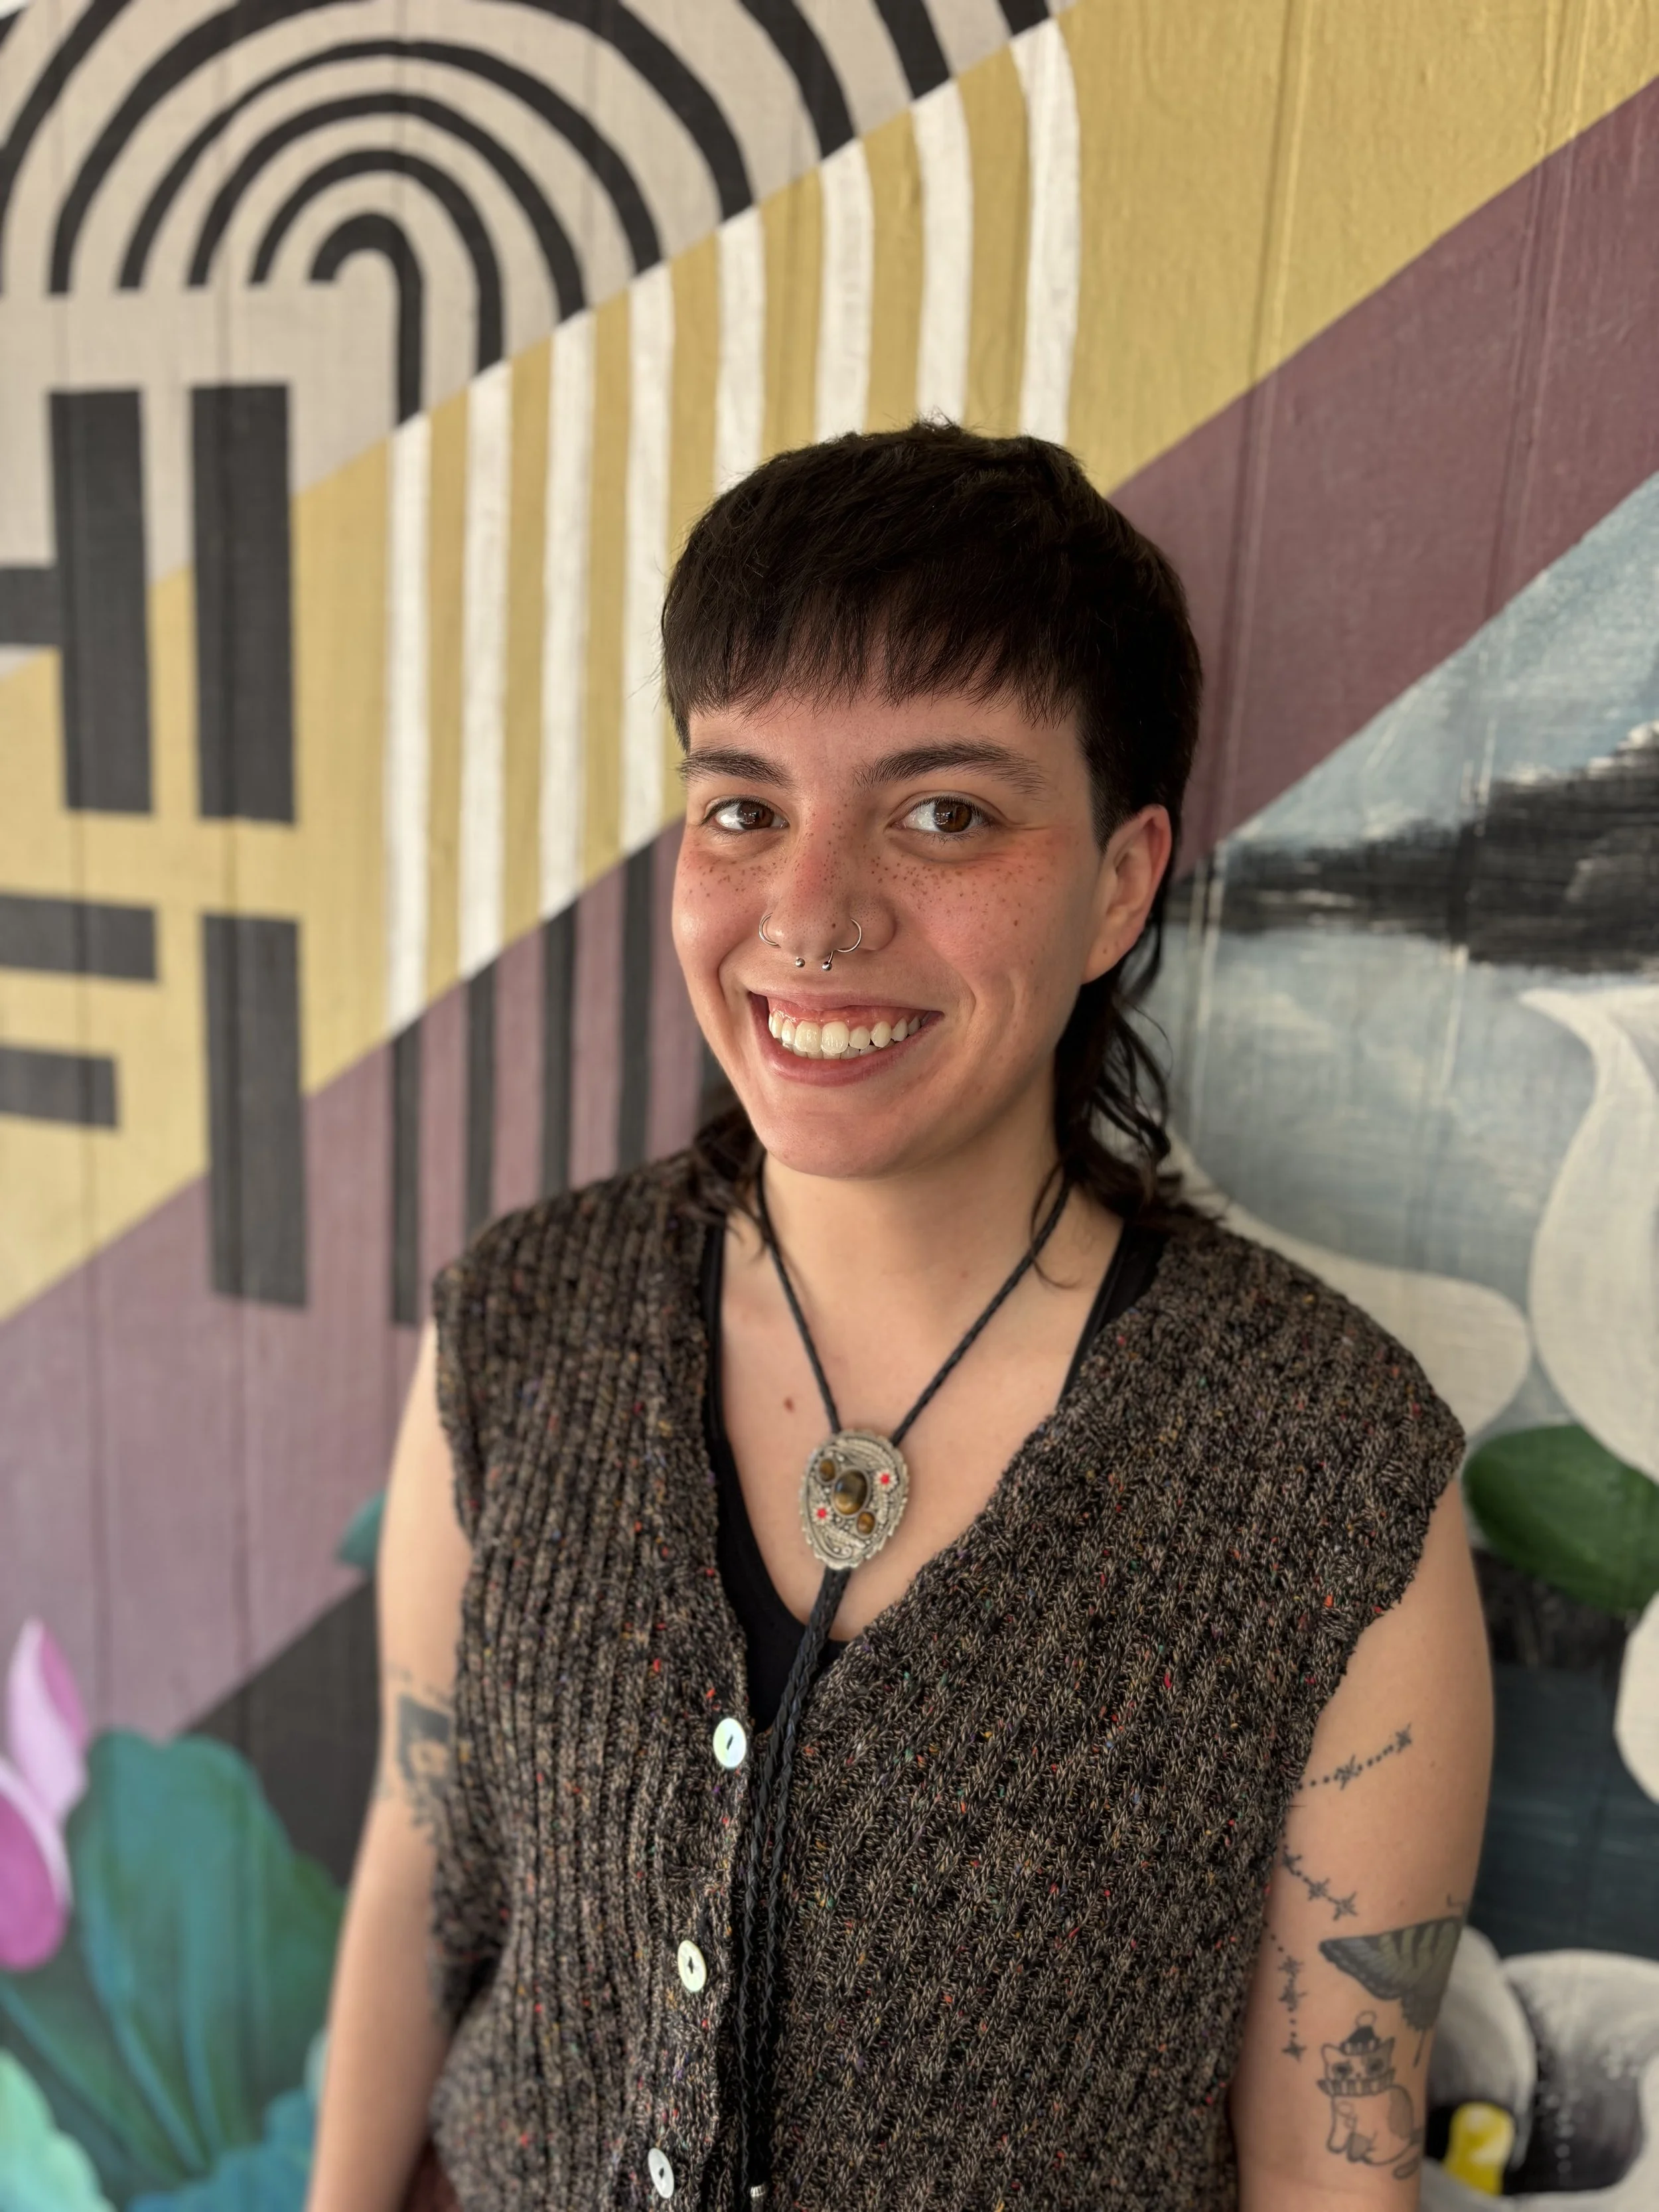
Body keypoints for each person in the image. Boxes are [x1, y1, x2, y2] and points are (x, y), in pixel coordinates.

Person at [305, 422, 1492, 2212]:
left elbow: (1331, 2150)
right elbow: (424, 1863)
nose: (809, 912)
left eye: (944, 810)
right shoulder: (523, 1327)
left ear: (1116, 876)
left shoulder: (1323, 1470)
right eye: (742, 805)